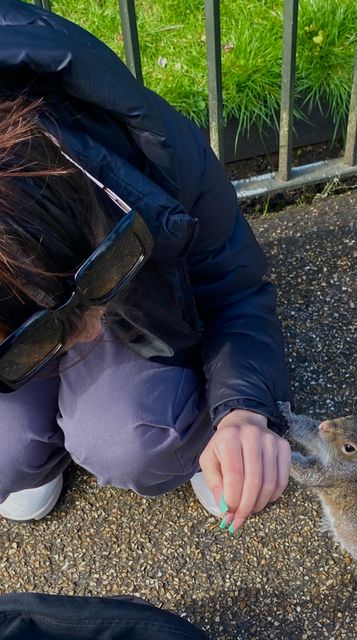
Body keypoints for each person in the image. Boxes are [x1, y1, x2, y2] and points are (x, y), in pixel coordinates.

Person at [0, 0, 292, 531]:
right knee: (5, 450)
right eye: (36, 331)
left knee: (132, 440)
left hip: (146, 313)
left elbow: (236, 291)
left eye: (100, 275)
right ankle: (33, 447)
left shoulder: (148, 152)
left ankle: (184, 429)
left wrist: (243, 411)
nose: (88, 333)